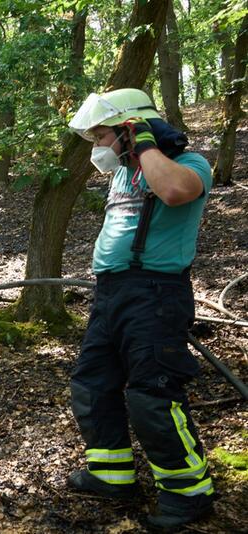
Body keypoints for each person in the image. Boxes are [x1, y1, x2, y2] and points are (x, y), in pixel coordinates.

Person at [66, 88, 215, 529]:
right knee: (92, 385)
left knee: (152, 396)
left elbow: (172, 191)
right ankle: (113, 476)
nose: (98, 146)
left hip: (156, 295)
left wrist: (145, 141)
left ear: (132, 130)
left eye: (103, 135)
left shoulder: (188, 166)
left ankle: (189, 496)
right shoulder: (124, 173)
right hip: (110, 294)